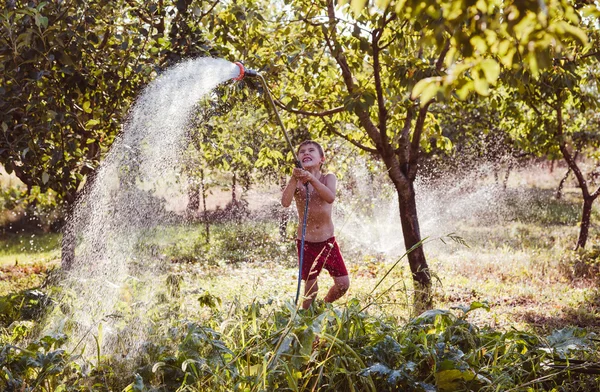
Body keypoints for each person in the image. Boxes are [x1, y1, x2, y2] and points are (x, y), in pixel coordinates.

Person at [281, 140, 350, 309]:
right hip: (306, 242)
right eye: (302, 151)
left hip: (328, 242)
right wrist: (293, 178)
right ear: (298, 160)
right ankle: (305, 319)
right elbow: (285, 202)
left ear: (322, 159)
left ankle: (324, 305)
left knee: (343, 284)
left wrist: (311, 179)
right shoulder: (297, 183)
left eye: (311, 150)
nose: (306, 152)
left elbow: (330, 197)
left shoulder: (328, 178)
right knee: (311, 290)